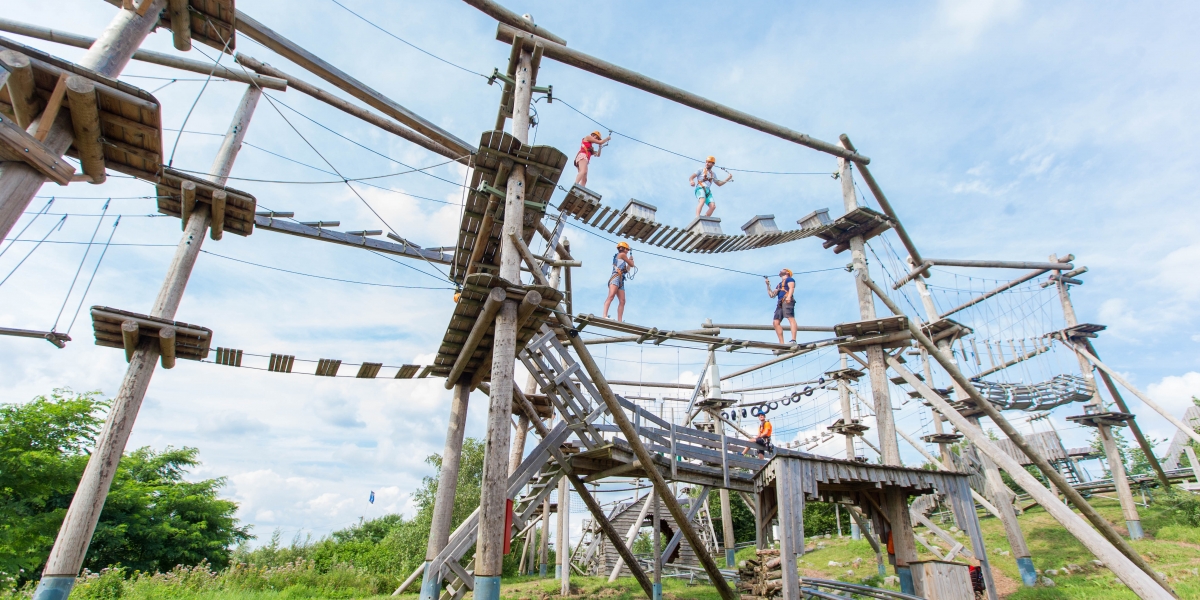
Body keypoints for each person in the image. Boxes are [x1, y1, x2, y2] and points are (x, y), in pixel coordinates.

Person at [603, 241, 635, 321]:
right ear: (623, 249)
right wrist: (631, 261)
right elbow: (631, 264)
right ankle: (604, 315)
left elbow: (627, 269)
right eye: (626, 249)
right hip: (616, 277)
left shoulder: (621, 257)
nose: (627, 251)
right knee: (611, 296)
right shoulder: (622, 255)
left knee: (622, 300)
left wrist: (631, 262)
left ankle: (620, 320)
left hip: (621, 279)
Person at [766, 268, 798, 344]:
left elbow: (791, 288)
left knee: (790, 318)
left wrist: (789, 297)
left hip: (786, 299)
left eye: (783, 270)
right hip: (780, 303)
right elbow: (772, 295)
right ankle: (781, 343)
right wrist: (767, 285)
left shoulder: (789, 279)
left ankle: (793, 340)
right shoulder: (779, 285)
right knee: (775, 322)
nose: (780, 271)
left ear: (787, 272)